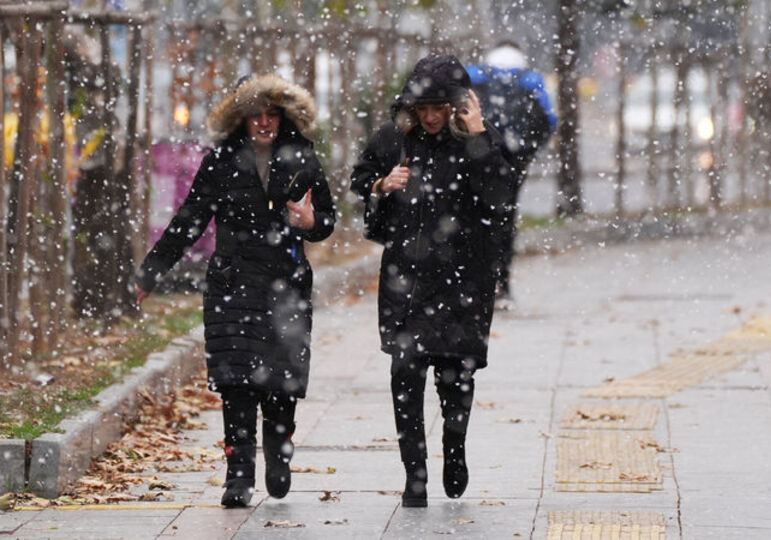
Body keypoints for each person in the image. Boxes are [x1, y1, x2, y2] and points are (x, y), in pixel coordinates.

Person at [134, 74, 336, 507]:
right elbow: (189, 220)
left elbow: (327, 221)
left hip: (286, 286)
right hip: (233, 284)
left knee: (282, 384)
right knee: (237, 384)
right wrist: (150, 273)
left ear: (284, 117)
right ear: (239, 119)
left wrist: (308, 223)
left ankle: (279, 452)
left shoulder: (303, 158)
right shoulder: (220, 161)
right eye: (255, 115)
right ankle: (238, 476)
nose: (264, 123)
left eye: (271, 114)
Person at [350, 54, 516, 507]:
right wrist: (383, 186)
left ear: (456, 105)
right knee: (405, 374)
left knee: (455, 376)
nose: (429, 117)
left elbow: (501, 195)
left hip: (464, 280)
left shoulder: (479, 141)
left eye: (438, 108)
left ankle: (455, 449)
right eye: (422, 108)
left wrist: (481, 134)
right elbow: (360, 180)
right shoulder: (395, 138)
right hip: (407, 277)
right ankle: (414, 472)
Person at [466, 41, 557, 310]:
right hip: (513, 160)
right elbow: (549, 120)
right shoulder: (530, 79)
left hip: (476, 156)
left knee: (471, 216)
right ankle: (501, 285)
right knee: (504, 219)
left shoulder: (474, 75)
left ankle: (470, 284)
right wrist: (527, 151)